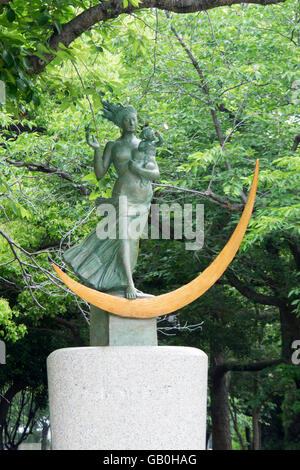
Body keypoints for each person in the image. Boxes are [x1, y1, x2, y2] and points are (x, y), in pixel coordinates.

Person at [63, 102, 160, 299]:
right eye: (127, 120)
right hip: (123, 194)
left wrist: (139, 170)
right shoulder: (113, 145)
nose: (132, 123)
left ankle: (123, 281)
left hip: (142, 198)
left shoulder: (145, 144)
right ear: (120, 123)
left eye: (134, 119)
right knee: (124, 237)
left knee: (133, 241)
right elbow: (100, 173)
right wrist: (97, 150)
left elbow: (155, 173)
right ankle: (129, 285)